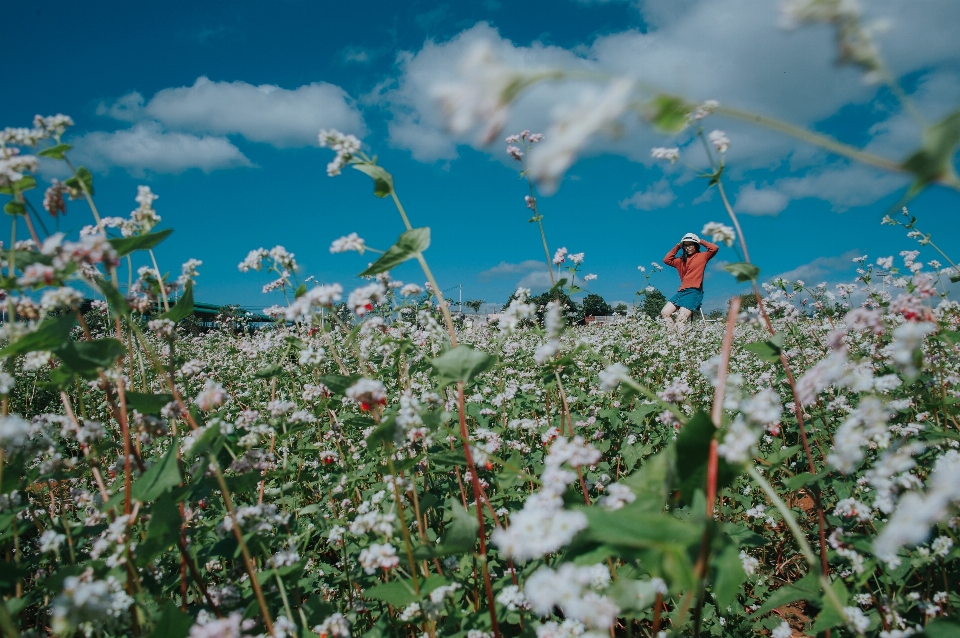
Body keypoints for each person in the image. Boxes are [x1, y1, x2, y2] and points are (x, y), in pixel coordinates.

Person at [660, 232, 719, 327]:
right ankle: (671, 337)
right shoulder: (680, 260)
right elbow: (666, 260)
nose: (688, 247)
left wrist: (700, 240)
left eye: (691, 244)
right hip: (681, 291)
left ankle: (681, 341)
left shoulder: (703, 256)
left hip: (694, 291)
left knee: (680, 319)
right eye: (686, 246)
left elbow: (714, 248)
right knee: (665, 313)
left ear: (696, 244)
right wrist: (678, 246)